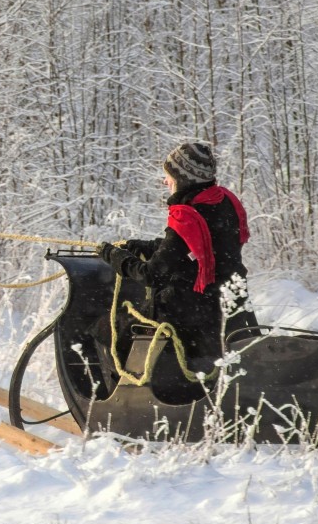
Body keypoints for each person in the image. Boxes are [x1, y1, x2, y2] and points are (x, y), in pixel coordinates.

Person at [98, 141, 257, 375]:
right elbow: (193, 248)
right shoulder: (224, 202)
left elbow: (150, 275)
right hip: (227, 304)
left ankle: (115, 388)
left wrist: (115, 256)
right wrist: (148, 246)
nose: (166, 182)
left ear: (184, 179)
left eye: (169, 177)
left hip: (189, 312)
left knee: (107, 328)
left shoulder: (187, 216)